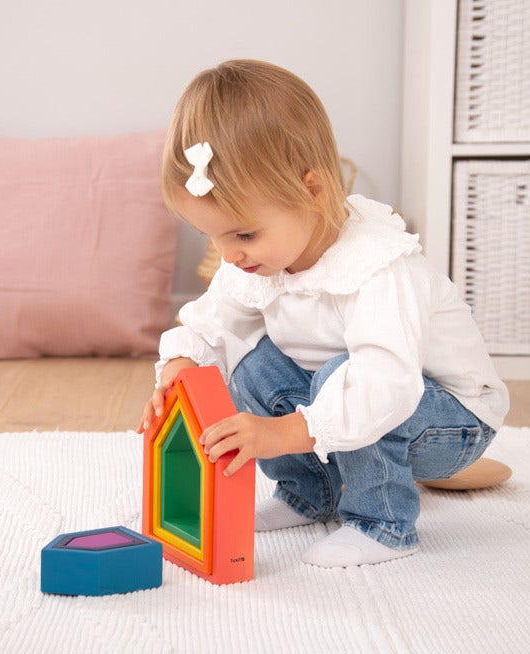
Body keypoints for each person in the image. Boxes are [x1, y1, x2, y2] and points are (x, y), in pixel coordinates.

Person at [138, 60, 509, 568]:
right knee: (252, 363)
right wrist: (181, 368)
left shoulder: (377, 264)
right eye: (211, 235)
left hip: (447, 418)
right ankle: (312, 493)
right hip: (337, 401)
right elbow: (213, 324)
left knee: (345, 375)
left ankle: (382, 523)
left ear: (311, 191)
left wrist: (280, 434)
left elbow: (387, 387)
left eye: (243, 234)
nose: (228, 254)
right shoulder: (255, 259)